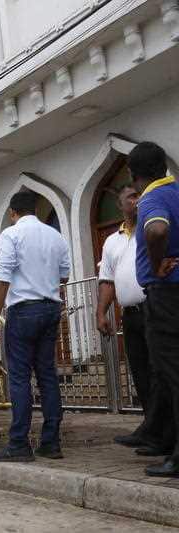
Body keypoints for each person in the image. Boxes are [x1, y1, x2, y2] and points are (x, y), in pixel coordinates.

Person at [0, 191, 69, 462]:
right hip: (50, 307)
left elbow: (2, 278)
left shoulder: (11, 235)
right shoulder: (55, 235)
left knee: (19, 377)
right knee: (47, 374)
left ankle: (20, 443)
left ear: (13, 213)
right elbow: (64, 276)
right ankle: (51, 442)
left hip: (23, 310)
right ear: (34, 209)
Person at [97, 184, 170, 450]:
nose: (136, 201)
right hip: (130, 315)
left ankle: (163, 433)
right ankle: (153, 431)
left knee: (160, 373)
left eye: (139, 195)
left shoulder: (152, 228)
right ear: (120, 204)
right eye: (130, 197)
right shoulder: (112, 240)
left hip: (156, 307)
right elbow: (107, 280)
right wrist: (101, 312)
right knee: (140, 374)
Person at [129, 141, 179, 477]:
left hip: (165, 295)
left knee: (173, 375)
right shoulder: (176, 190)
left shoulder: (152, 198)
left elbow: (157, 229)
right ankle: (167, 440)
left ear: (134, 176)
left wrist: (158, 263)